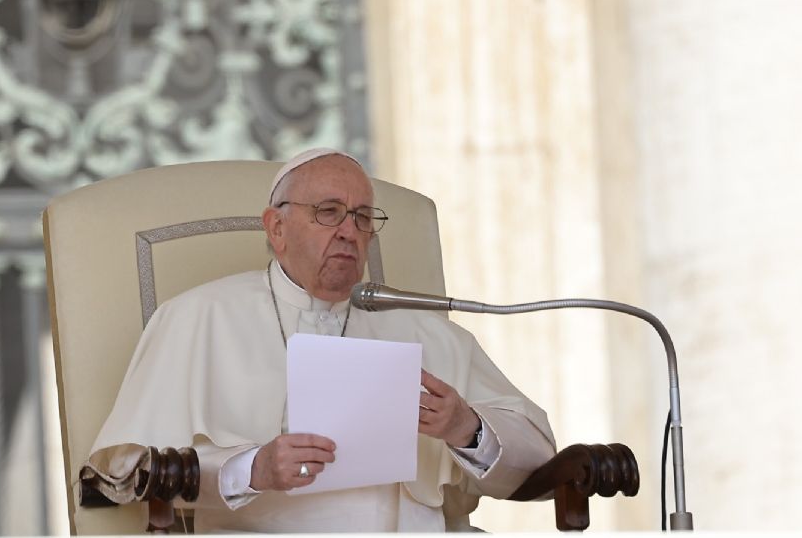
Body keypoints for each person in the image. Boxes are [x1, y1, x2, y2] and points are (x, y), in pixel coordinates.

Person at [84, 148, 556, 532]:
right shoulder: (197, 317)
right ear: (277, 228)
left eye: (363, 217)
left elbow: (541, 461)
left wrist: (466, 428)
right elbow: (125, 467)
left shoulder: (425, 330)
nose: (350, 232)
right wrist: (252, 468)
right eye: (329, 213)